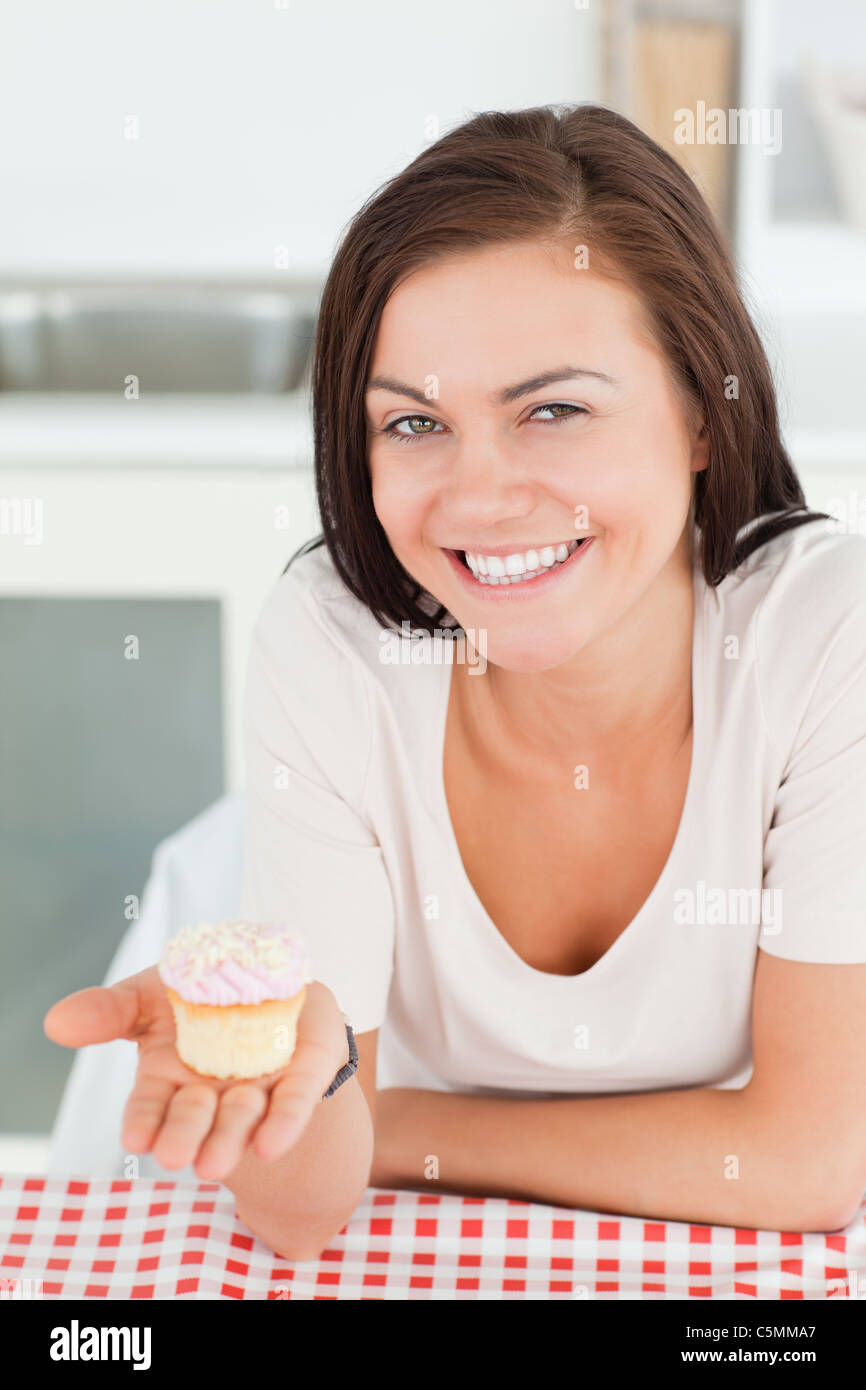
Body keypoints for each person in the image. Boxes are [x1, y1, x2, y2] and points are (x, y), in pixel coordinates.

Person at [45, 104, 866, 1260]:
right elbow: (303, 1217)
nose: (477, 501)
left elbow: (807, 1161)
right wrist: (301, 1094)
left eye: (553, 409)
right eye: (415, 423)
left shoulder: (823, 633)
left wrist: (402, 1122)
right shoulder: (333, 648)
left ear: (695, 409)